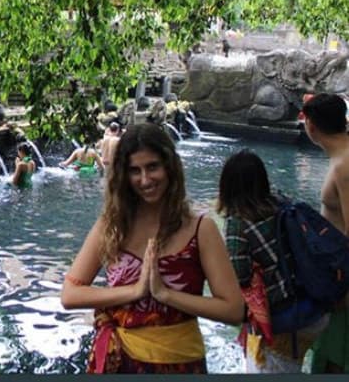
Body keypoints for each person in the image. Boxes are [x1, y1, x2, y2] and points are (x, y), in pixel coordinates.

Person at [59, 123, 243, 373]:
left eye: (152, 167)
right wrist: (135, 291)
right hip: (120, 362)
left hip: (180, 365)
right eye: (135, 170)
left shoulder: (201, 229)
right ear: (124, 175)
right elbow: (70, 294)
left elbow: (233, 309)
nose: (145, 180)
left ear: (169, 166)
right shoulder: (111, 227)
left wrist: (166, 295)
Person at [217, 150, 327, 372]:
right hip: (314, 309)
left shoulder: (238, 223)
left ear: (227, 186)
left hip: (284, 319)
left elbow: (240, 275)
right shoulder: (282, 202)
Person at [302, 93, 349, 374]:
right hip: (336, 278)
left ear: (311, 125)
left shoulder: (345, 165)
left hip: (343, 284)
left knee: (334, 359)